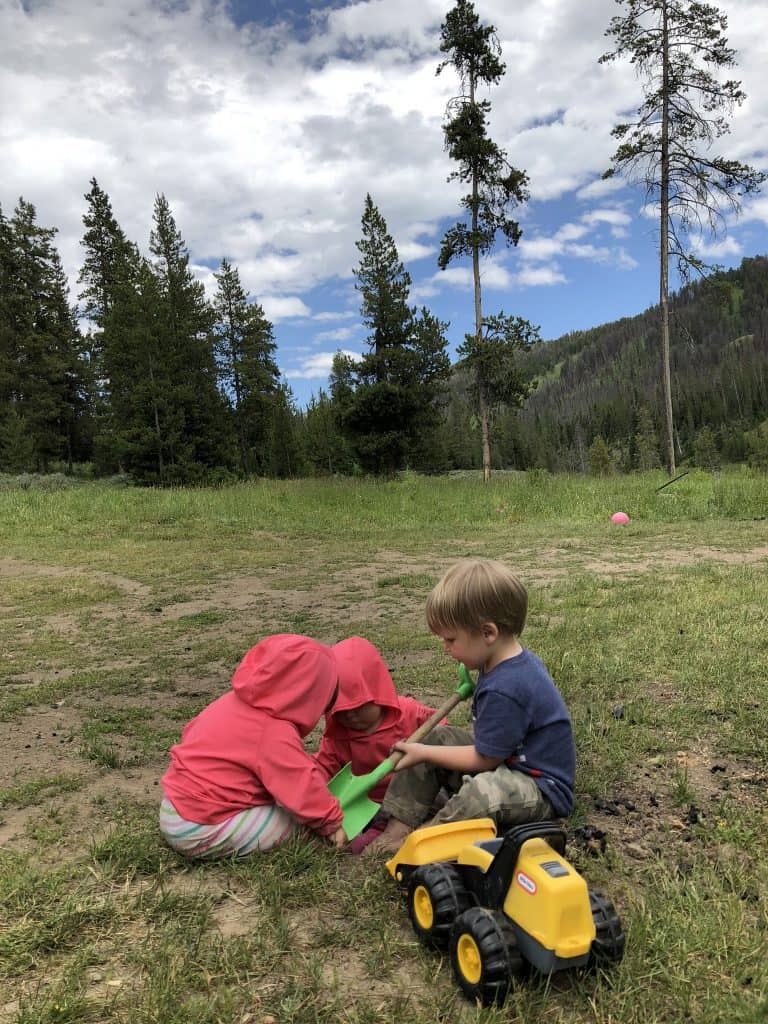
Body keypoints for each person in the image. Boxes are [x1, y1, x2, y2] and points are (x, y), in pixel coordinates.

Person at [365, 558, 576, 855]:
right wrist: (426, 749)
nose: (445, 647)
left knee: (480, 793)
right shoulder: (497, 661)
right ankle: (397, 825)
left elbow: (485, 760)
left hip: (538, 788)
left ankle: (424, 842)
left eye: (451, 639)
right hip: (508, 762)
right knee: (437, 737)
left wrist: (422, 752)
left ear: (488, 633)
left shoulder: (508, 687)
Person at [160, 634, 346, 858]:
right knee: (294, 823)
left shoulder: (230, 703)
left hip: (174, 807)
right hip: (200, 826)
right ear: (308, 696)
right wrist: (331, 821)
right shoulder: (273, 731)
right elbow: (300, 785)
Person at [313, 636, 441, 852]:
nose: (350, 716)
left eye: (358, 706)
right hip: (371, 808)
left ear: (376, 691)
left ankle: (427, 826)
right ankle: (390, 834)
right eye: (341, 711)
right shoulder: (339, 736)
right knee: (358, 846)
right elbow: (323, 768)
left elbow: (441, 733)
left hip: (416, 795)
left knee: (444, 802)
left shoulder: (409, 714)